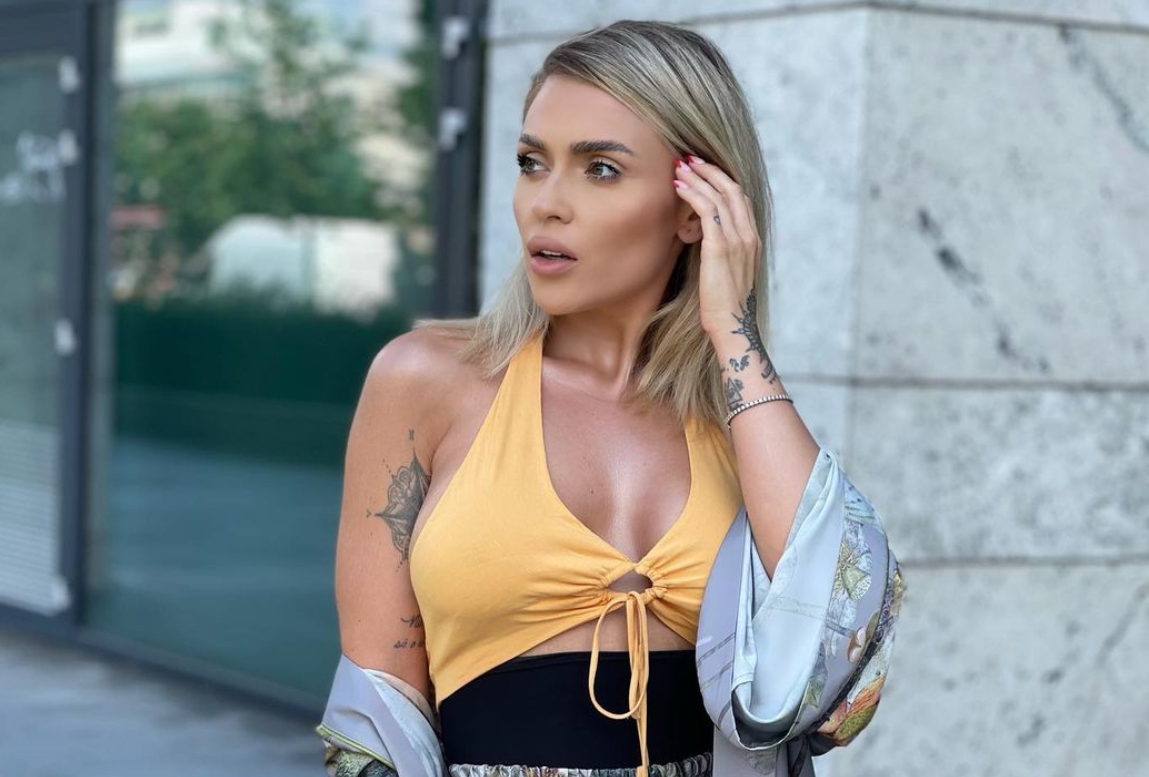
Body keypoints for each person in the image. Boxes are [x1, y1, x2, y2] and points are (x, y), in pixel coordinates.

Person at [320, 19, 903, 777]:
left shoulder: (741, 415)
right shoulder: (425, 380)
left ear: (696, 208)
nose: (545, 203)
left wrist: (732, 331)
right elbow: (377, 714)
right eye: (532, 163)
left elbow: (845, 659)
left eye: (599, 169)